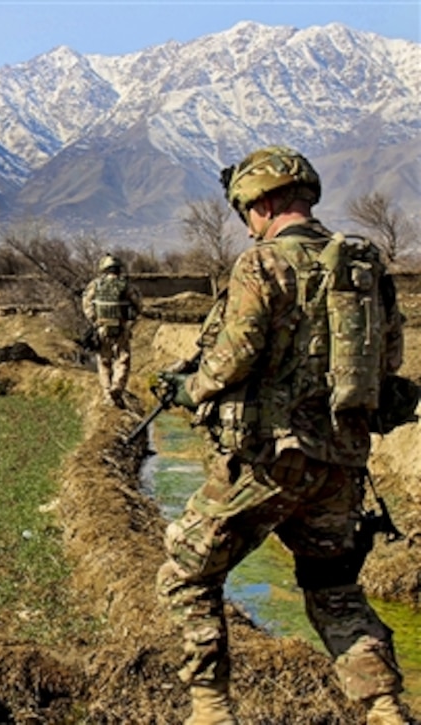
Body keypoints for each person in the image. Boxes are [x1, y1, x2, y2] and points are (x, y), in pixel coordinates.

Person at [155, 146, 410, 725]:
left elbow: (232, 357)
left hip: (268, 461)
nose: (247, 223)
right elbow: (388, 360)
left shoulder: (261, 265)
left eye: (246, 211)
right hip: (341, 463)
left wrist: (187, 389)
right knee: (334, 589)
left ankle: (210, 707)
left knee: (186, 572)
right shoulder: (364, 264)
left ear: (262, 202)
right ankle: (386, 708)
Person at [81, 254, 142, 407]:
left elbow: (86, 303)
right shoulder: (126, 285)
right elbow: (139, 305)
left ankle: (108, 393)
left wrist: (95, 321)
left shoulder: (96, 284)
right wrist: (132, 318)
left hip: (102, 329)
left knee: (104, 361)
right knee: (123, 360)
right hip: (121, 328)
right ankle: (117, 386)